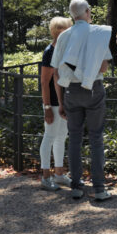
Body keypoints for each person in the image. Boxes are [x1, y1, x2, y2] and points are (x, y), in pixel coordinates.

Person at [53, 0, 113, 201]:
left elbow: (56, 71)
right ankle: (99, 188)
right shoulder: (98, 33)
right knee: (96, 137)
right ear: (87, 11)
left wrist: (60, 102)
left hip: (71, 91)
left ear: (72, 15)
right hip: (93, 88)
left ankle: (77, 187)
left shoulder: (63, 37)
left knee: (75, 138)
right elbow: (104, 67)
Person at [39, 16, 73, 191]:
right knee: (50, 136)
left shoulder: (63, 50)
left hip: (63, 102)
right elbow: (44, 82)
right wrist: (47, 108)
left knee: (61, 137)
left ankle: (59, 174)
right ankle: (45, 176)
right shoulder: (49, 51)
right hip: (52, 102)